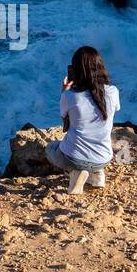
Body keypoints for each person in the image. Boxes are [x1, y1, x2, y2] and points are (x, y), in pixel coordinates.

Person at [47, 45, 121, 193]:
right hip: (104, 157)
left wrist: (64, 91)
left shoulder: (70, 96)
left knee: (50, 148)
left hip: (74, 158)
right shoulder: (113, 92)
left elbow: (66, 123)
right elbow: (114, 110)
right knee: (93, 152)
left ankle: (76, 173)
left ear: (76, 71)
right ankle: (97, 174)